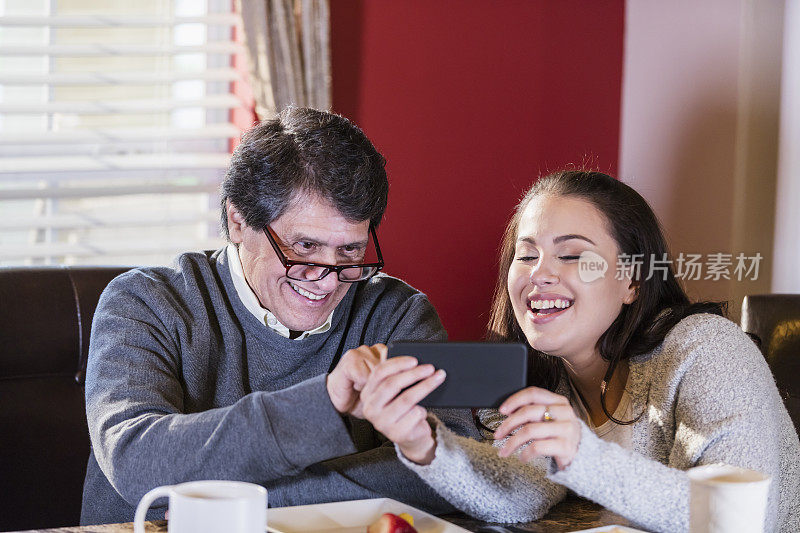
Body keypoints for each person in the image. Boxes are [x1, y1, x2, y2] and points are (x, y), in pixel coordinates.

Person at [80, 107, 478, 525]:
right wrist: (325, 403)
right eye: (304, 247)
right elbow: (138, 465)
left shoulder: (399, 315)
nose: (326, 282)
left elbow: (456, 470)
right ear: (238, 220)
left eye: (350, 251)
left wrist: (222, 491)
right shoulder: (144, 303)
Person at [360, 170, 800, 532]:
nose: (540, 275)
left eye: (571, 256)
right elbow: (521, 493)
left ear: (632, 281)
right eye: (526, 255)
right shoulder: (546, 375)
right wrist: (423, 442)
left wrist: (584, 456)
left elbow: (740, 519)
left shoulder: (708, 351)